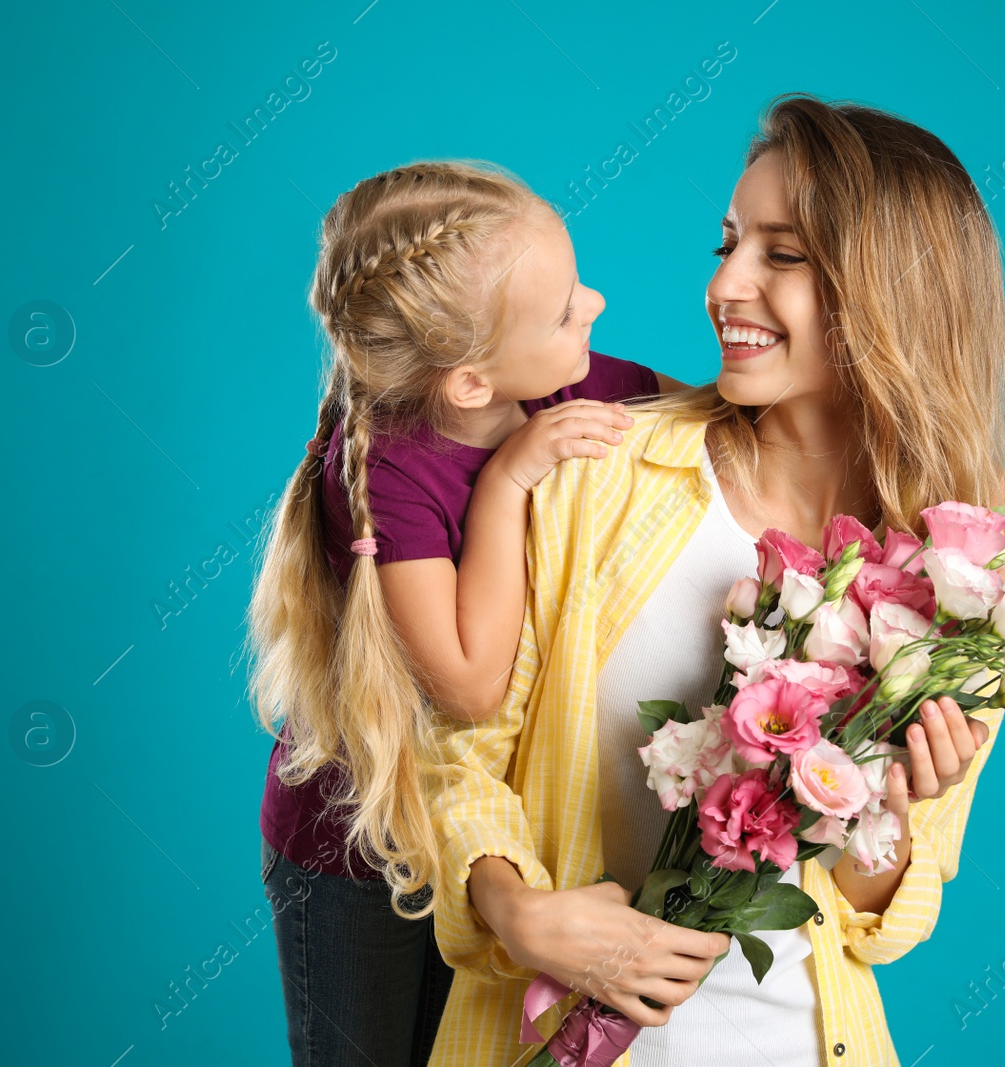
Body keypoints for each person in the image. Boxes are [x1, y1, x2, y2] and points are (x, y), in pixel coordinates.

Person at [426, 94, 1005, 1066]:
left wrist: (888, 812)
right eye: (726, 245)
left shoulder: (957, 577)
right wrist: (518, 911)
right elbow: (454, 752)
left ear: (892, 289)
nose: (727, 286)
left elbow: (877, 923)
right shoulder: (599, 471)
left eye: (783, 255)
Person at [244, 160, 683, 1066]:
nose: (594, 302)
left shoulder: (563, 380)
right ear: (472, 383)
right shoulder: (387, 473)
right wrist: (512, 481)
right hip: (354, 847)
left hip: (480, 842)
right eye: (563, 308)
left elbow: (726, 426)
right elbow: (472, 685)